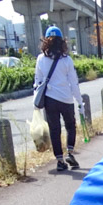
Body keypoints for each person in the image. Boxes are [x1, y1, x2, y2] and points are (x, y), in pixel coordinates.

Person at [34, 25, 83, 172]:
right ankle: (70, 153)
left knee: (54, 130)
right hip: (66, 98)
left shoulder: (40, 59)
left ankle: (60, 160)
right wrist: (80, 102)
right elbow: (74, 83)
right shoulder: (67, 60)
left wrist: (35, 100)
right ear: (62, 42)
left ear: (46, 42)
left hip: (50, 99)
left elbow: (37, 81)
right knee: (70, 126)